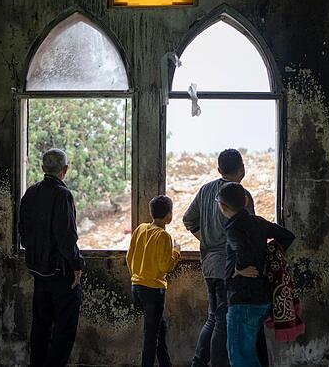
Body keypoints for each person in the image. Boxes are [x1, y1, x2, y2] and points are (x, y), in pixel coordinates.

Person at [183, 149, 256, 367]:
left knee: (214, 317)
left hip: (209, 265)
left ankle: (198, 362)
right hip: (231, 268)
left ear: (218, 169)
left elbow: (188, 220)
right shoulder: (241, 196)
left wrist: (205, 239)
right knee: (222, 322)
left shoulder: (205, 190)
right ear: (242, 168)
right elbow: (248, 233)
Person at [18, 148, 85, 367]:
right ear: (65, 170)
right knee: (64, 329)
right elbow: (66, 237)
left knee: (40, 325)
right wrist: (77, 264)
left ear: (42, 168)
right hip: (60, 274)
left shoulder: (30, 193)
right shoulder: (62, 195)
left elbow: (23, 234)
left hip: (39, 272)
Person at [218, 182, 295, 367]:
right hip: (262, 297)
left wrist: (239, 269)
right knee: (248, 354)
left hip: (243, 298)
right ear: (245, 201)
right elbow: (287, 236)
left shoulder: (233, 228)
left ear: (222, 206)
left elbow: (242, 250)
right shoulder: (258, 222)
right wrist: (269, 254)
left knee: (240, 358)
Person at [126, 195, 182, 367]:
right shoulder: (164, 236)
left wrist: (137, 276)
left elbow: (129, 257)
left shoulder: (141, 229)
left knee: (159, 329)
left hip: (137, 287)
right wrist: (176, 252)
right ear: (168, 216)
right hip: (153, 291)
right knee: (151, 337)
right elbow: (165, 266)